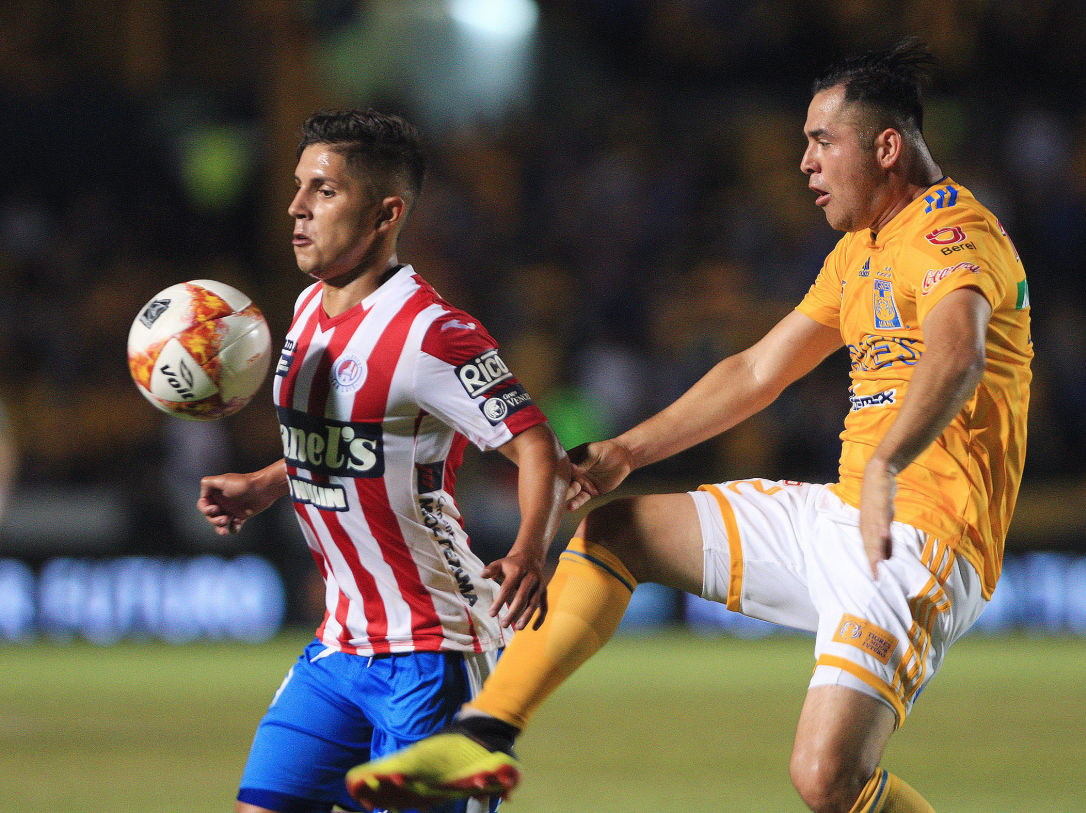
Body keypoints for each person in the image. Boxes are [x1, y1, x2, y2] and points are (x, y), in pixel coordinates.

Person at [348, 39, 1032, 813]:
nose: (804, 162)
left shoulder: (953, 232)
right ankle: (481, 734)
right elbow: (755, 372)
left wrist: (887, 464)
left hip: (919, 538)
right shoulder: (859, 253)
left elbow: (958, 353)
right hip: (841, 517)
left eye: (820, 141)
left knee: (825, 778)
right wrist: (626, 449)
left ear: (885, 146)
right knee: (617, 532)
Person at [196, 109, 572, 813]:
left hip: (434, 650)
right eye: (298, 186)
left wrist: (528, 548)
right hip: (340, 646)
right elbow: (357, 444)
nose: (296, 207)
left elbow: (534, 443)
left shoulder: (435, 335)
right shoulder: (308, 309)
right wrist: (267, 483)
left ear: (384, 213)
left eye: (324, 190)